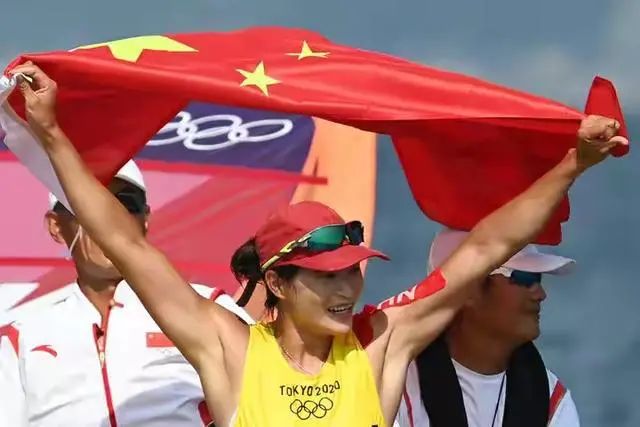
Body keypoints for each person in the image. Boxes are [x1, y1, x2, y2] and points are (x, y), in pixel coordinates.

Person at [9, 62, 626, 427]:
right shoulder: (229, 349)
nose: (346, 288)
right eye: (326, 275)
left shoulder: (379, 344)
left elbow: (488, 247)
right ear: (277, 283)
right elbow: (127, 244)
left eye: (351, 272)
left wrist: (574, 163)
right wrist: (52, 134)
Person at [0, 160, 253, 427]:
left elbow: (268, 398)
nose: (107, 218)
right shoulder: (21, 337)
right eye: (84, 204)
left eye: (125, 204)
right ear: (56, 226)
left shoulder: (210, 308)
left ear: (146, 218)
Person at [394, 229, 580, 427]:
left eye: (538, 279)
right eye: (525, 278)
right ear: (468, 289)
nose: (540, 294)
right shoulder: (396, 383)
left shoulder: (550, 399)